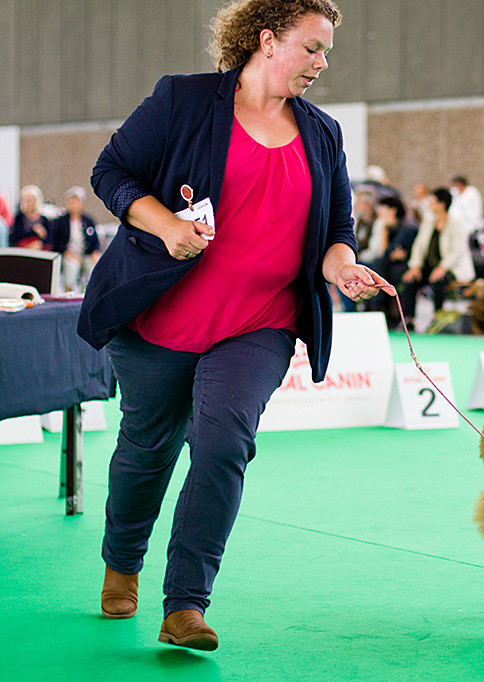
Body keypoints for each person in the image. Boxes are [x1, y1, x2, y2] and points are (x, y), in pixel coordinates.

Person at [78, 0, 390, 651]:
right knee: (146, 451)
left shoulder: (323, 133)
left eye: (326, 51)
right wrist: (166, 226)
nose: (321, 63)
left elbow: (335, 233)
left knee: (223, 444)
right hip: (159, 318)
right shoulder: (184, 102)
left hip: (259, 324)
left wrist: (343, 268)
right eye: (312, 47)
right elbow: (110, 173)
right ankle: (121, 562)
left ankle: (185, 604)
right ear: (268, 40)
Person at [400, 187, 475, 324]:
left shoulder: (456, 224)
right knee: (410, 280)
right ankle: (409, 319)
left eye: (433, 202)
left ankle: (437, 316)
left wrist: (442, 267)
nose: (430, 205)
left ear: (442, 205)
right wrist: (415, 266)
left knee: (438, 280)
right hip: (428, 266)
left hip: (450, 268)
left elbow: (456, 251)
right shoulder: (428, 223)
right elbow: (419, 246)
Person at [366, 195, 417, 328]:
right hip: (393, 266)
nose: (380, 214)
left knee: (380, 266)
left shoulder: (407, 228)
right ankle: (379, 310)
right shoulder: (389, 227)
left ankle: (380, 309)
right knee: (377, 265)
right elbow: (388, 253)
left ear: (392, 210)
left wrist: (391, 252)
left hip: (409, 266)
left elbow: (388, 252)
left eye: (382, 210)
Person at [50, 186, 102, 292]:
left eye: (76, 201)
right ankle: (69, 291)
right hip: (68, 255)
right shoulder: (61, 221)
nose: (73, 204)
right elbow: (56, 241)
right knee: (72, 267)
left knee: (93, 268)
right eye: (71, 201)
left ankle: (89, 293)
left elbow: (95, 240)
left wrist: (95, 253)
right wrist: (67, 252)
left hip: (85, 254)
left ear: (81, 203)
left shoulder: (88, 221)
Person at [10, 185, 51, 249]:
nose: (29, 203)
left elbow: (51, 240)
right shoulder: (19, 218)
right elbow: (14, 239)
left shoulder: (44, 220)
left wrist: (42, 237)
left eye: (31, 200)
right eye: (26, 200)